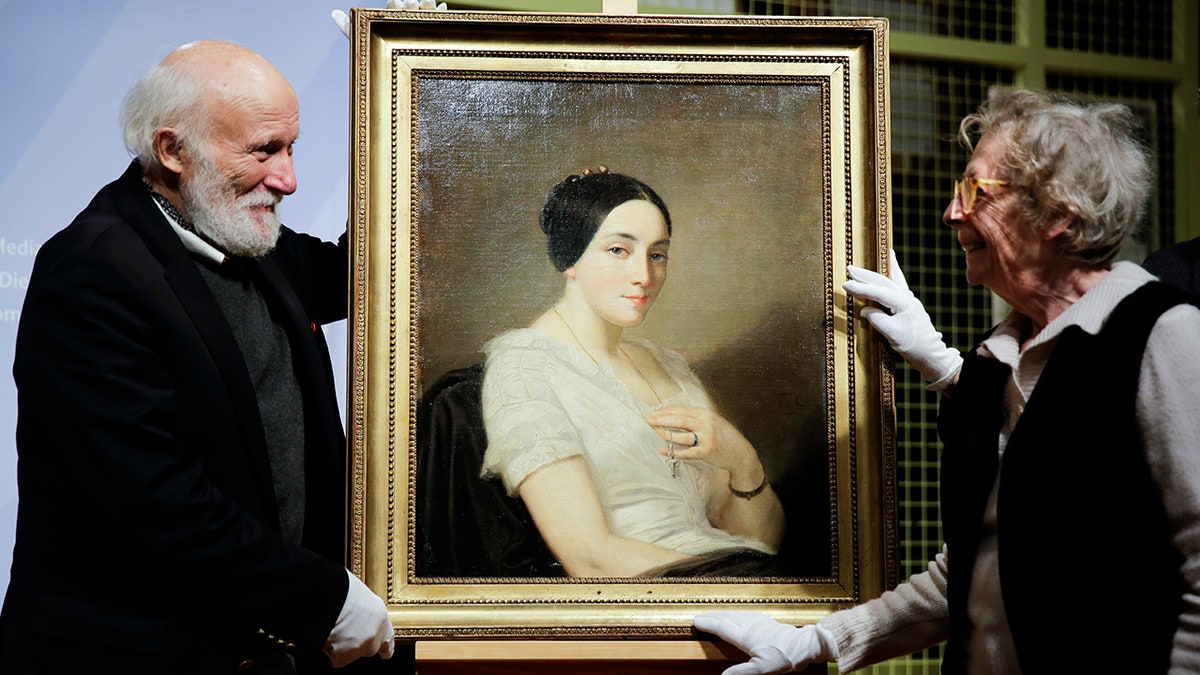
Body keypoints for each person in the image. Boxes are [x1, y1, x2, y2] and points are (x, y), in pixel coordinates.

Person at [694, 88, 1200, 673]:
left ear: (1060, 215)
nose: (951, 212)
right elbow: (973, 574)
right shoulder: (998, 364)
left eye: (974, 192)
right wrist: (815, 641)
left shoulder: (1162, 335)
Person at [0, 41, 394, 674]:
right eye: (264, 150)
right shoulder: (91, 271)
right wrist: (327, 600)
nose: (288, 178)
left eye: (291, 148)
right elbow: (154, 501)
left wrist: (415, 93)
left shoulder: (247, 234)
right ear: (172, 150)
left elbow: (379, 265)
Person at [478, 168, 787, 578]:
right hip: (656, 598)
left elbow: (762, 542)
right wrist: (734, 584)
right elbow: (589, 557)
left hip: (732, 578)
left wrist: (743, 462)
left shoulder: (667, 367)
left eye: (657, 254)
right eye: (619, 251)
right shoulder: (524, 369)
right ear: (570, 257)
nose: (644, 275)